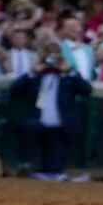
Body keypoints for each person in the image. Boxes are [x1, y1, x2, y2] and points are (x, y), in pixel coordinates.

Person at [10, 46, 88, 180]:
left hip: (59, 130)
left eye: (55, 57)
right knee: (30, 126)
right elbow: (14, 90)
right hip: (38, 125)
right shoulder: (37, 77)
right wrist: (33, 72)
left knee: (52, 171)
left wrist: (70, 71)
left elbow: (87, 90)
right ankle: (24, 164)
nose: (51, 61)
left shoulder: (68, 77)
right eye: (48, 57)